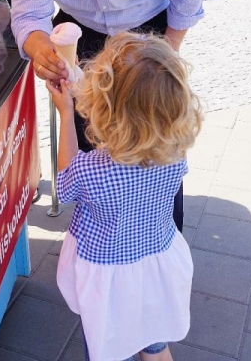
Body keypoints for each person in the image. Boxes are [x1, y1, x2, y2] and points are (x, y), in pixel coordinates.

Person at [11, 0, 206, 232]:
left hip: (151, 30)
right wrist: (40, 51)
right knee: (91, 142)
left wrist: (161, 60)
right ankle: (102, 234)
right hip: (82, 31)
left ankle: (165, 233)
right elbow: (29, 16)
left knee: (155, 142)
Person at [47, 32, 200, 361]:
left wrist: (66, 113)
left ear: (103, 109)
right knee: (155, 347)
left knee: (107, 348)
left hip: (109, 282)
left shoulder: (93, 171)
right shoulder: (175, 155)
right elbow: (135, 110)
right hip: (157, 268)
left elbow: (66, 183)